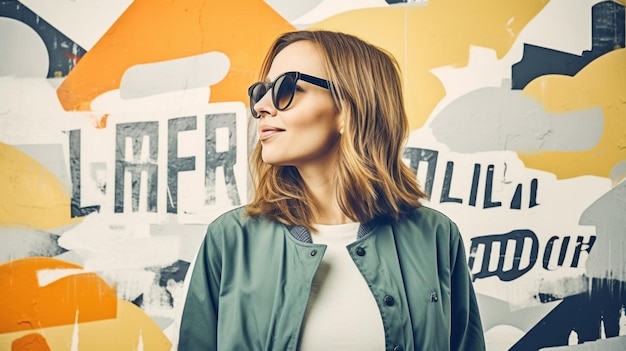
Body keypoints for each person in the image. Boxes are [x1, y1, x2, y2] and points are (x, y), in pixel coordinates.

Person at [178, 30, 485, 351]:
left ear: (349, 108)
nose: (262, 106)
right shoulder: (229, 239)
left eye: (288, 88)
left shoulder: (435, 235)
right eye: (263, 91)